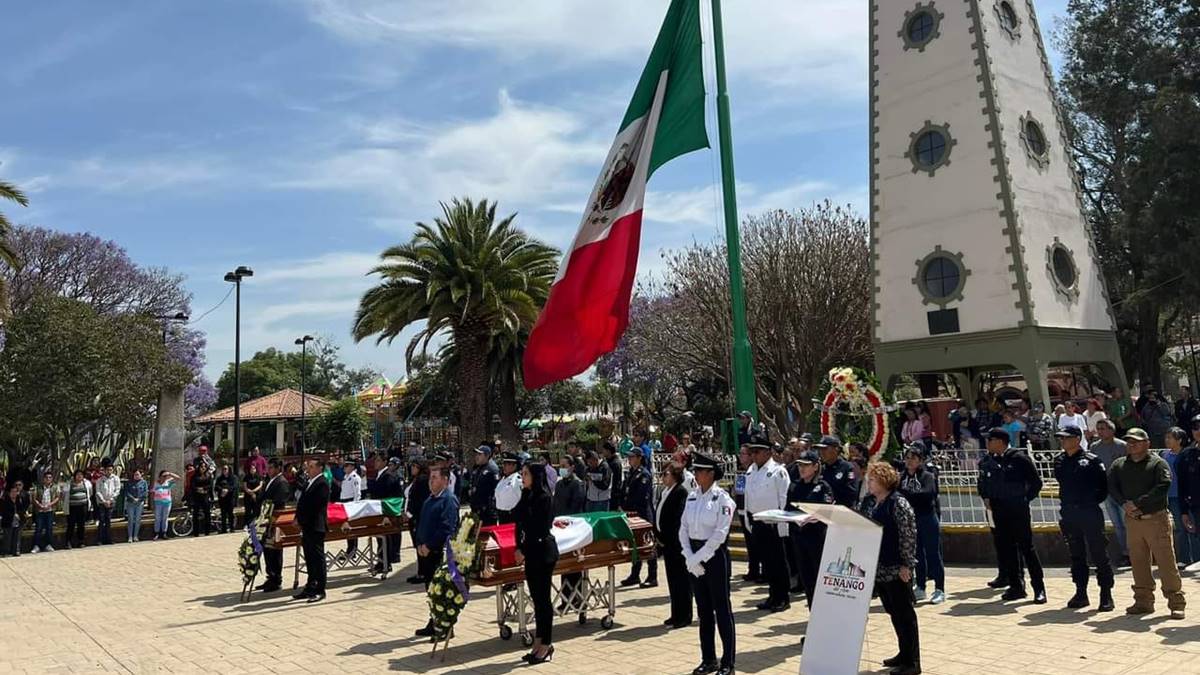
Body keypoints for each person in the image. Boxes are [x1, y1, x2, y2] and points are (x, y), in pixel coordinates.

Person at [1108, 428, 1185, 618]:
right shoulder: (1119, 465)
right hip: (1133, 521)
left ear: (1147, 443)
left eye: (1136, 441)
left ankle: (1176, 602)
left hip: (1155, 519)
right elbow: (1111, 485)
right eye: (1129, 441)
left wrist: (1139, 503)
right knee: (1138, 561)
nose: (1132, 445)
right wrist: (1124, 504)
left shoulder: (1158, 464)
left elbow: (1162, 487)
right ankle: (1143, 601)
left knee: (1166, 562)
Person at [680, 451, 736, 675]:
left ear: (710, 474)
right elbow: (683, 528)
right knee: (703, 610)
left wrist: (697, 557)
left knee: (721, 609)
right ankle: (708, 658)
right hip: (694, 556)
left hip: (714, 557)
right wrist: (688, 556)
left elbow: (720, 534)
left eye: (699, 471)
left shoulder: (723, 499)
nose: (696, 474)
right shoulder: (692, 496)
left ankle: (727, 663)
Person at [978, 428, 1046, 603]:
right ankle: (1016, 586)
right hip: (999, 510)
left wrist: (1024, 500)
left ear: (1000, 441)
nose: (987, 443)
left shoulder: (1019, 458)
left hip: (1017, 509)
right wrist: (986, 497)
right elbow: (983, 482)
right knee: (1007, 548)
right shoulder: (988, 461)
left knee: (1027, 548)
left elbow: (1036, 483)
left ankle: (1039, 588)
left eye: (990, 440)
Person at [866, 462, 922, 675]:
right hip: (881, 567)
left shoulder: (898, 503)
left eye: (872, 479)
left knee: (905, 615)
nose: (869, 483)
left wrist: (906, 565)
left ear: (883, 481)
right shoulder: (876, 502)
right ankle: (903, 653)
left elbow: (908, 535)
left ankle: (913, 662)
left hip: (896, 568)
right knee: (893, 612)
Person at [1052, 426, 1114, 611]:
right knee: (1076, 555)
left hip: (1089, 513)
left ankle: (1106, 594)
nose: (1062, 442)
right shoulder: (1059, 461)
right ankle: (1081, 592)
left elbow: (1102, 488)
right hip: (1070, 514)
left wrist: (1087, 503)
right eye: (1060, 439)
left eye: (1066, 438)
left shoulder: (1091, 461)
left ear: (1077, 439)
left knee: (1099, 554)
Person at [514, 460, 559, 664]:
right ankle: (538, 641)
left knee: (543, 600)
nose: (522, 477)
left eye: (525, 474)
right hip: (530, 552)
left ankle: (546, 643)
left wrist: (524, 549)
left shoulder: (544, 498)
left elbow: (539, 528)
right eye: (522, 473)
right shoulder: (526, 495)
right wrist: (518, 546)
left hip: (542, 552)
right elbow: (519, 523)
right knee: (536, 599)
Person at [743, 433, 791, 612]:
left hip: (774, 523)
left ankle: (782, 597)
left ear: (768, 452)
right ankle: (772, 595)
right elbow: (749, 496)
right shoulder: (751, 471)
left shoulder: (778, 472)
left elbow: (784, 499)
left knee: (778, 562)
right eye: (752, 452)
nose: (754, 455)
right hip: (758, 522)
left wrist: (783, 526)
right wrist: (749, 518)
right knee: (766, 563)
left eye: (757, 452)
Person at [414, 465, 461, 637]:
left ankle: (445, 627)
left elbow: (446, 528)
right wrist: (419, 543)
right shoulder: (430, 499)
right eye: (430, 478)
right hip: (425, 551)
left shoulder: (448, 500)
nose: (430, 481)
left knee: (440, 591)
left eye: (434, 477)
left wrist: (429, 545)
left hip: (438, 552)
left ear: (445, 480)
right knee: (431, 590)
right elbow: (422, 524)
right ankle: (434, 621)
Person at [786, 449, 832, 608]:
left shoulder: (822, 487)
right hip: (799, 539)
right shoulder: (794, 486)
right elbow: (787, 509)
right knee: (807, 581)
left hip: (817, 539)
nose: (802, 469)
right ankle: (814, 621)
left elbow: (828, 512)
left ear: (815, 466)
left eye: (806, 465)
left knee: (820, 580)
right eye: (800, 465)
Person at [899, 446, 944, 605]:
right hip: (910, 520)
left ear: (920, 460)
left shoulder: (927, 476)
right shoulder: (902, 477)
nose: (909, 461)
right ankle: (921, 586)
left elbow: (927, 495)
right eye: (907, 457)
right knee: (916, 555)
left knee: (933, 553)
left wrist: (907, 496)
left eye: (913, 458)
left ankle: (939, 589)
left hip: (927, 518)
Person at [656, 463, 693, 628]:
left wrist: (667, 537)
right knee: (672, 580)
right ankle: (675, 613)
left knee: (681, 581)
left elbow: (678, 520)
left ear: (675, 476)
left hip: (676, 544)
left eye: (666, 474)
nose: (663, 477)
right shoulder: (665, 491)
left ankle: (684, 615)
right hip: (666, 543)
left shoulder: (680, 492)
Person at [1089, 418, 1129, 562]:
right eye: (1098, 429)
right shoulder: (1094, 447)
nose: (1100, 431)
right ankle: (1125, 553)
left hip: (1122, 489)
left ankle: (1134, 552)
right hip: (1105, 489)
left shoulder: (1123, 446)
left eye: (1103, 428)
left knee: (1127, 522)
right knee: (1117, 524)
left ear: (1112, 430)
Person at [553, 453, 587, 611]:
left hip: (573, 527)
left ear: (572, 467)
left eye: (565, 466)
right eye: (560, 466)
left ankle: (578, 598)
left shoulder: (577, 484)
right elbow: (555, 504)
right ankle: (565, 598)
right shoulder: (559, 485)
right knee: (563, 565)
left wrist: (566, 521)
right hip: (560, 528)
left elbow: (577, 506)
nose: (562, 469)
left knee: (575, 565)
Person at [620, 446, 658, 588]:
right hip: (631, 515)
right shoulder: (631, 473)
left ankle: (652, 576)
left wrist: (629, 506)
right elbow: (625, 491)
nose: (629, 460)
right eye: (629, 457)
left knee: (648, 546)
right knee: (635, 545)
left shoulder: (644, 474)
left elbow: (641, 497)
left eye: (632, 457)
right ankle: (635, 575)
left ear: (639, 458)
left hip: (642, 514)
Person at [294, 459, 330, 603]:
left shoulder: (322, 483)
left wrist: (301, 519)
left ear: (320, 468)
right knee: (309, 558)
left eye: (312, 467)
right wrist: (297, 518)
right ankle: (310, 586)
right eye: (307, 467)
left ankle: (320, 589)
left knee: (317, 558)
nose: (308, 469)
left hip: (316, 525)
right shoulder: (309, 483)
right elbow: (302, 503)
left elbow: (316, 506)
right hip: (307, 526)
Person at [257, 459, 291, 592]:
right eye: (268, 467)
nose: (268, 470)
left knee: (275, 550)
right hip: (266, 520)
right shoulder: (269, 481)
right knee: (267, 549)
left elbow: (279, 500)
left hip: (275, 520)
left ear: (278, 468)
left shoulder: (282, 482)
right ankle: (270, 576)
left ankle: (276, 579)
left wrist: (267, 506)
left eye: (271, 467)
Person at [1162, 427, 1194, 565]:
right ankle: (1184, 559)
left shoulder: (1187, 455)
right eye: (1166, 437)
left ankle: (1196, 558)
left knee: (1192, 526)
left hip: (1187, 496)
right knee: (1180, 528)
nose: (1167, 440)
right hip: (1172, 496)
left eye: (1170, 437)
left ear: (1180, 440)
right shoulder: (1164, 455)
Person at [373, 457, 405, 574]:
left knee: (386, 538)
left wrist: (387, 513)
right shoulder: (382, 475)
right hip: (380, 510)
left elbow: (392, 496)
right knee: (381, 539)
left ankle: (386, 562)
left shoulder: (389, 476)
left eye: (378, 460)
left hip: (387, 511)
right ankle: (382, 561)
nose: (375, 462)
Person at [404, 459, 431, 584]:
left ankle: (424, 573)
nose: (412, 468)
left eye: (414, 466)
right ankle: (421, 571)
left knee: (421, 544)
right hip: (413, 516)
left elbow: (420, 500)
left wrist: (412, 514)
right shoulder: (415, 479)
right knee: (417, 545)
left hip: (419, 516)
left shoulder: (423, 480)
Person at [1179, 415, 1200, 572]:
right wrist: (1184, 512)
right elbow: (1182, 486)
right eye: (1195, 427)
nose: (1198, 430)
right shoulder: (1187, 455)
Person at [816, 435, 858, 508]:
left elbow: (851, 494)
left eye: (825, 449)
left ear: (836, 449)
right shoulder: (821, 468)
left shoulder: (847, 468)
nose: (821, 452)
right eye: (820, 449)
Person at [467, 445, 500, 526]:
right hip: (477, 510)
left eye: (479, 454)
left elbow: (496, 490)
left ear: (487, 455)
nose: (476, 457)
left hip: (487, 512)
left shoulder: (492, 469)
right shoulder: (478, 468)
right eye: (476, 454)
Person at [63, 469, 92, 549]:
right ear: (74, 476)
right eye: (78, 475)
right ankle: (68, 542)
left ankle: (81, 541)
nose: (79, 476)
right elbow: (64, 494)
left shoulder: (86, 483)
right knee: (71, 525)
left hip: (83, 506)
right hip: (72, 507)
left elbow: (90, 492)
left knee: (81, 525)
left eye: (81, 475)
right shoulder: (69, 484)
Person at [94, 461, 121, 545]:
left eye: (110, 470)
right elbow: (98, 491)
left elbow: (117, 490)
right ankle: (100, 539)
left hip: (111, 502)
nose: (109, 471)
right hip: (102, 503)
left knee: (108, 520)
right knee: (102, 520)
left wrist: (111, 500)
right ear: (104, 470)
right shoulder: (100, 480)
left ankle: (108, 539)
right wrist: (104, 501)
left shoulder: (116, 478)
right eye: (107, 470)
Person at [31, 472, 58, 553]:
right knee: (38, 528)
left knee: (49, 528)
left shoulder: (55, 487)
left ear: (52, 479)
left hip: (50, 511)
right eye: (46, 477)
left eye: (50, 477)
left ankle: (48, 545)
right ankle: (36, 546)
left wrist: (50, 505)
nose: (48, 479)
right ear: (43, 479)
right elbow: (34, 498)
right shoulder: (38, 487)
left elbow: (57, 497)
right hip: (40, 511)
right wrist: (40, 505)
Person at [340, 459, 363, 555]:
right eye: (344, 465)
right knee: (346, 527)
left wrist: (355, 506)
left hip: (350, 503)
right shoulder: (346, 477)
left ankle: (352, 550)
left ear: (352, 467)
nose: (345, 467)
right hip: (344, 502)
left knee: (351, 527)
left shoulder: (354, 477)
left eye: (347, 465)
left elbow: (357, 493)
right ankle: (350, 549)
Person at [494, 452, 523, 524]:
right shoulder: (503, 479)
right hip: (501, 516)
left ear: (515, 466)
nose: (504, 466)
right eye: (504, 464)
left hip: (512, 516)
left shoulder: (517, 480)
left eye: (507, 464)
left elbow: (522, 499)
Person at [1, 481, 28, 557]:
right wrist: (13, 515)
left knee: (17, 537)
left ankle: (16, 551)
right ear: (9, 493)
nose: (14, 493)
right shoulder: (5, 501)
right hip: (8, 521)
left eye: (15, 492)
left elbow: (22, 509)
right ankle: (6, 552)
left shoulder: (19, 500)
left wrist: (19, 515)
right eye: (12, 492)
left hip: (18, 521)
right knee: (7, 538)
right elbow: (4, 512)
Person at [150, 471, 180, 541]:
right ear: (160, 476)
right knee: (158, 518)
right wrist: (152, 504)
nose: (164, 478)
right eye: (163, 476)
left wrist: (170, 473)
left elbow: (178, 478)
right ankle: (156, 533)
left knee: (165, 518)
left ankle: (164, 533)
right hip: (158, 502)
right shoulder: (156, 483)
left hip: (167, 502)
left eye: (165, 476)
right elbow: (152, 493)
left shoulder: (168, 482)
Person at [123, 469, 148, 543]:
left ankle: (135, 536)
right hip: (130, 503)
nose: (136, 476)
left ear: (141, 475)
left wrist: (139, 499)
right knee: (130, 520)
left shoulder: (144, 482)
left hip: (139, 503)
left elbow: (145, 492)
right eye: (135, 475)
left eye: (138, 474)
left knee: (137, 520)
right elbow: (126, 492)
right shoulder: (129, 482)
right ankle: (130, 536)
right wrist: (133, 498)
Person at [190, 462, 214, 537]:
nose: (203, 468)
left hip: (205, 496)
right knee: (196, 514)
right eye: (201, 467)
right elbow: (192, 486)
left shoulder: (208, 476)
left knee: (207, 514)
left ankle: (207, 531)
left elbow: (210, 485)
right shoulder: (195, 476)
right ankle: (196, 532)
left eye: (204, 467)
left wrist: (204, 489)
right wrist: (198, 489)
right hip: (197, 497)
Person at [215, 464, 238, 534]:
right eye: (223, 469)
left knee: (230, 513)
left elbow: (234, 486)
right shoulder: (219, 478)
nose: (224, 470)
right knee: (223, 513)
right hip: (222, 498)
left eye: (226, 469)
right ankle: (223, 529)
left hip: (230, 498)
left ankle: (232, 528)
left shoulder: (233, 478)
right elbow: (216, 487)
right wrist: (222, 490)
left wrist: (227, 490)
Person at [603, 442, 625, 511]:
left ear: (608, 451)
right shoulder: (607, 461)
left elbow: (617, 481)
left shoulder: (615, 463)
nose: (602, 452)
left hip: (613, 495)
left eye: (604, 450)